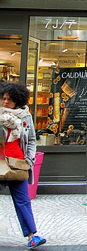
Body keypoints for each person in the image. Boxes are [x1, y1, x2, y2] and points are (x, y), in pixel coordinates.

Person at [0, 81, 46, 249]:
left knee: (23, 201)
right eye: (3, 98)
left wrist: (30, 160)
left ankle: (32, 236)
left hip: (18, 164)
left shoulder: (25, 117)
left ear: (17, 101)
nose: (5, 102)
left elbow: (31, 140)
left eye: (9, 100)